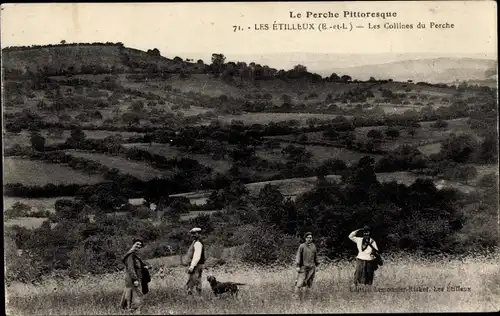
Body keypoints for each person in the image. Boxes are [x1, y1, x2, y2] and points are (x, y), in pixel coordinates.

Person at [120, 238, 151, 312]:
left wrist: (147, 266)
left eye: (140, 245)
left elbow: (140, 265)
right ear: (133, 245)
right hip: (133, 279)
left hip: (137, 278)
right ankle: (134, 311)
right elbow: (131, 268)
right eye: (137, 244)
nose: (139, 246)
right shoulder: (130, 255)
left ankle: (128, 310)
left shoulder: (135, 256)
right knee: (136, 294)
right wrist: (135, 279)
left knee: (132, 294)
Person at [294, 232, 319, 298]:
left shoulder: (313, 246)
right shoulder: (302, 246)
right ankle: (296, 298)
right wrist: (298, 266)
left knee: (309, 284)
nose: (309, 239)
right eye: (308, 238)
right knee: (299, 284)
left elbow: (315, 256)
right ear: (305, 238)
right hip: (303, 268)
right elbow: (298, 256)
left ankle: (306, 298)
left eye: (310, 238)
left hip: (312, 268)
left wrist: (317, 265)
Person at [186, 227, 205, 296]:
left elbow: (197, 256)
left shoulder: (198, 243)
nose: (192, 235)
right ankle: (192, 297)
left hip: (196, 265)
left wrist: (192, 266)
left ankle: (198, 298)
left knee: (195, 281)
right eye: (192, 233)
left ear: (199, 234)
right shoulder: (195, 242)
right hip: (196, 265)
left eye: (194, 233)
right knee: (192, 281)